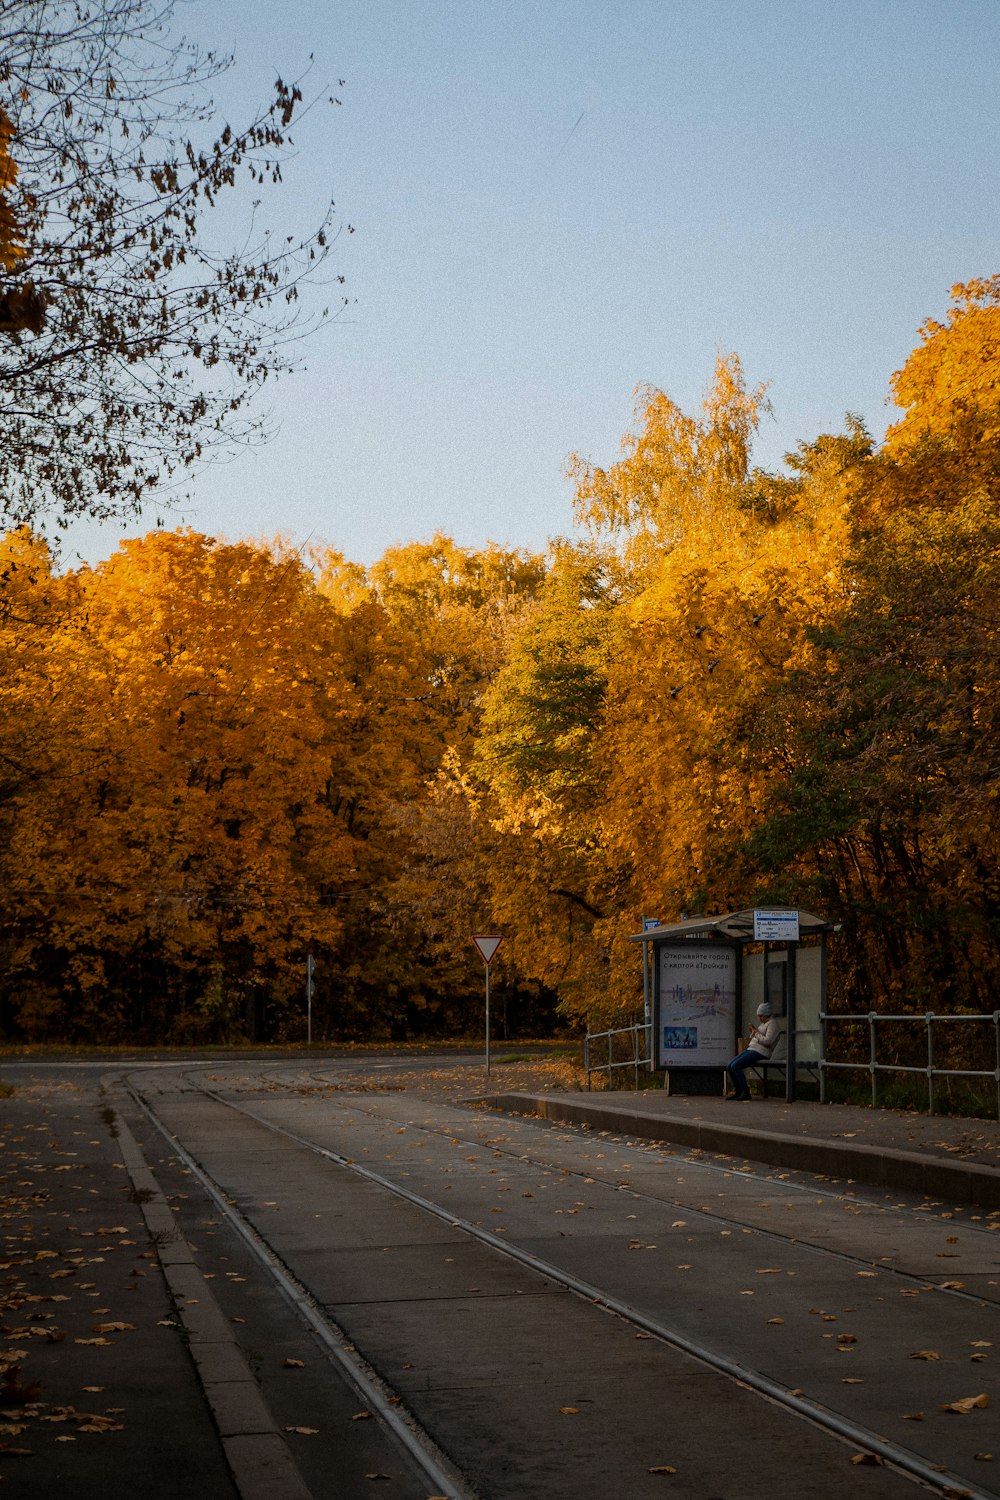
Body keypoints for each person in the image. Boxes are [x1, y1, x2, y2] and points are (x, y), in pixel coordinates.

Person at [727, 1002, 782, 1101]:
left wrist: (755, 1033)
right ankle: (738, 1091)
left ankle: (745, 1092)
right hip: (753, 1048)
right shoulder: (764, 1024)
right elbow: (758, 1037)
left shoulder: (772, 1024)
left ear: (766, 1014)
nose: (759, 1018)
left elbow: (768, 1041)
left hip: (762, 1051)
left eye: (761, 1016)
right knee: (729, 1065)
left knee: (736, 1066)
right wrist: (754, 1031)